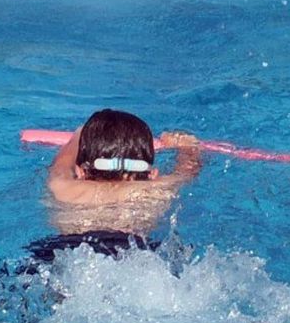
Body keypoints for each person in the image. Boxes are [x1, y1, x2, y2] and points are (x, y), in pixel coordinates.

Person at [31, 108, 202, 263]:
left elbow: (62, 162)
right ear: (152, 175)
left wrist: (78, 135)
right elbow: (189, 169)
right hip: (131, 254)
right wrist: (186, 146)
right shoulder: (155, 190)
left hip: (64, 251)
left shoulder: (62, 187)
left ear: (80, 171)